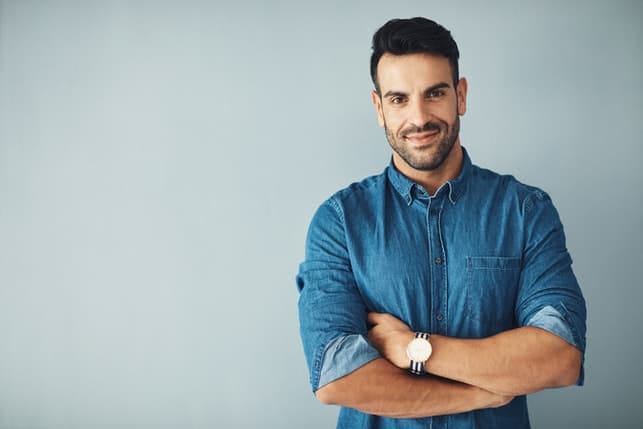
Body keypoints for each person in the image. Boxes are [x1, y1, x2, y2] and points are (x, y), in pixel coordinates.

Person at [296, 17, 586, 429]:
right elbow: (336, 375)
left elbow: (559, 356)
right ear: (379, 108)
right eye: (398, 99)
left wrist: (411, 347)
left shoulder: (525, 211)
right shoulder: (339, 222)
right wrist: (477, 394)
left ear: (461, 96)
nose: (419, 118)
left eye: (434, 93)